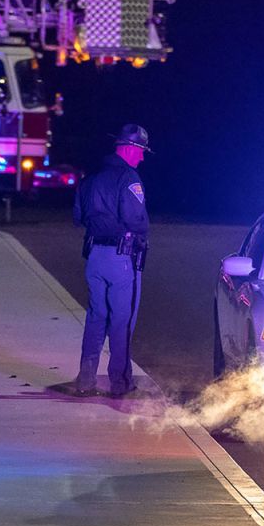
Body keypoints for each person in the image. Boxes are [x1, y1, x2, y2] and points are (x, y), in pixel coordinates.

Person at [72, 123, 152, 396]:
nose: (142, 158)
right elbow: (136, 221)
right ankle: (120, 382)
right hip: (121, 258)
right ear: (131, 149)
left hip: (94, 257)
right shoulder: (128, 178)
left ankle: (85, 379)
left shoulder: (90, 176)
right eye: (141, 151)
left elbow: (78, 217)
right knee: (122, 320)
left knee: (96, 317)